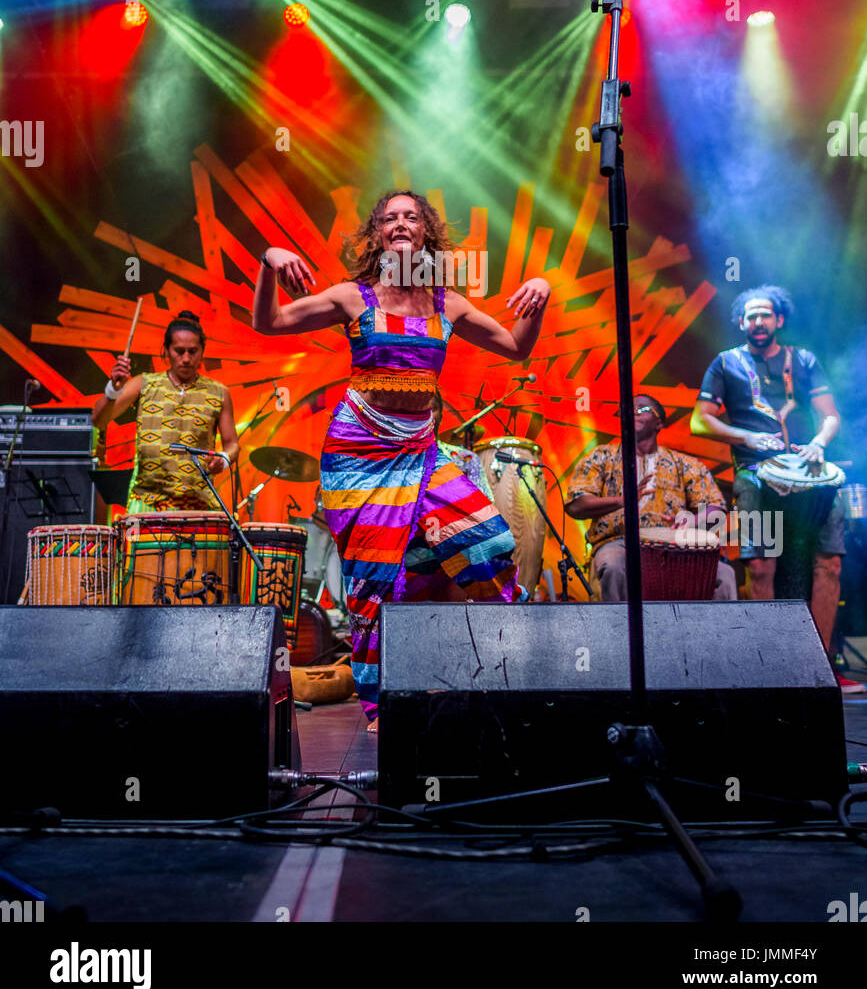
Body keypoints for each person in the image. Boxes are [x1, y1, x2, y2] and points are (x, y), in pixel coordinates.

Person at [252, 190, 550, 728]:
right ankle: (386, 703)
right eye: (390, 218)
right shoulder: (352, 297)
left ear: (426, 233)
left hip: (419, 447)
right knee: (376, 581)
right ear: (378, 235)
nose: (401, 223)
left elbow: (515, 345)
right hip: (357, 454)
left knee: (486, 544)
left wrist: (542, 291)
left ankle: (493, 669)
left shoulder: (446, 304)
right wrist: (269, 259)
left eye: (411, 216)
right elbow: (269, 322)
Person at [691, 285, 863, 693]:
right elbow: (701, 421)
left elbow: (830, 417)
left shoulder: (803, 360)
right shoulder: (725, 364)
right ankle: (769, 665)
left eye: (765, 315)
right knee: (761, 565)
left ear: (778, 319)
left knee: (829, 563)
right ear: (740, 322)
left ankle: (820, 666)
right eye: (750, 316)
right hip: (755, 473)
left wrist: (820, 443)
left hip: (811, 472)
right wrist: (743, 437)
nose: (758, 321)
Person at [565, 396, 737, 602]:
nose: (631, 412)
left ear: (659, 423)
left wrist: (690, 521)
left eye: (641, 409)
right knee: (613, 567)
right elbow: (576, 505)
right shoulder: (601, 456)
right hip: (619, 543)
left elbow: (716, 508)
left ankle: (721, 634)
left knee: (724, 575)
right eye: (626, 409)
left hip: (676, 547)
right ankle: (618, 632)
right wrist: (623, 501)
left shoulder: (684, 463)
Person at [91, 310, 239, 512]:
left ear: (202, 351)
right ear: (167, 350)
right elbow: (99, 420)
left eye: (192, 351)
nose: (186, 358)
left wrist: (223, 458)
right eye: (179, 351)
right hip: (147, 502)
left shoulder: (219, 392)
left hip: (199, 505)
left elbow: (232, 445)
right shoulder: (144, 384)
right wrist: (113, 389)